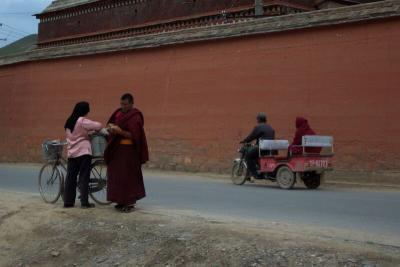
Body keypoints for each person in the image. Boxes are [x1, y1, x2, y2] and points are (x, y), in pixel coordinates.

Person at [104, 93, 149, 213]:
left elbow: (135, 136)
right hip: (117, 151)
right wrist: (110, 127)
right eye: (121, 104)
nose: (123, 106)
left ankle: (129, 203)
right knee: (116, 176)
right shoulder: (118, 113)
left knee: (128, 177)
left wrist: (120, 132)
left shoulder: (135, 116)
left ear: (131, 104)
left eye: (125, 104)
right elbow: (110, 123)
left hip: (129, 152)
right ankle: (119, 201)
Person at [64, 101, 102, 208]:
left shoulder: (69, 121)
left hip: (72, 153)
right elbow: (98, 126)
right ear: (85, 111)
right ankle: (84, 203)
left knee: (70, 178)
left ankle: (68, 202)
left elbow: (74, 135)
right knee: (84, 177)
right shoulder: (82, 121)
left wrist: (86, 133)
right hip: (83, 152)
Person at [240, 112, 275, 178]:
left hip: (262, 148)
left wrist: (245, 141)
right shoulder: (270, 127)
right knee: (255, 154)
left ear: (259, 119)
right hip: (270, 148)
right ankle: (261, 170)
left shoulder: (259, 127)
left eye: (257, 119)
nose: (257, 120)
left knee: (248, 155)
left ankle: (255, 173)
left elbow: (252, 136)